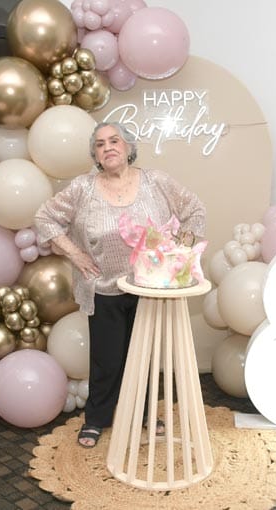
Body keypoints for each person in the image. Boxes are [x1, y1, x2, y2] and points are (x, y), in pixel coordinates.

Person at [34, 121, 206, 448]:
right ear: (95, 155)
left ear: (128, 147)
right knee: (107, 359)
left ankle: (144, 414)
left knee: (145, 356)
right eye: (100, 144)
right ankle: (97, 419)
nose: (108, 148)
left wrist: (179, 250)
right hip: (104, 288)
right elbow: (44, 218)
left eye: (114, 141)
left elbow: (195, 210)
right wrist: (76, 253)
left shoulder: (156, 182)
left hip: (150, 286)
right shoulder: (82, 188)